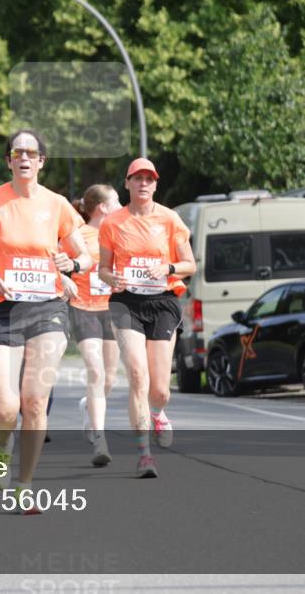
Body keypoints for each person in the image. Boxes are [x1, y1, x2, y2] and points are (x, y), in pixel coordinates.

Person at [0, 129, 90, 511]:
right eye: (18, 153)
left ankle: (25, 484)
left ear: (42, 161)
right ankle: (2, 446)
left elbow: (85, 255)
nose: (25, 158)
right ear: (9, 161)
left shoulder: (59, 205)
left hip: (47, 309)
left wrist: (72, 265)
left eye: (32, 153)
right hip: (1, 308)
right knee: (4, 407)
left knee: (34, 401)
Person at [98, 158, 195, 479]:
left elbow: (189, 265)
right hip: (126, 303)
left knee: (160, 389)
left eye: (149, 179)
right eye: (137, 178)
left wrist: (167, 268)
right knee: (137, 376)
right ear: (126, 184)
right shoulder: (114, 223)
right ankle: (144, 454)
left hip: (163, 301)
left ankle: (157, 412)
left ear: (155, 185)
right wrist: (112, 280)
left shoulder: (170, 219)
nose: (143, 183)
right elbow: (103, 269)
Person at [64, 184, 122, 467]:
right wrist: (64, 280)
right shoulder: (81, 236)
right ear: (102, 207)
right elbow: (55, 262)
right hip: (84, 309)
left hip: (111, 310)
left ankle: (89, 406)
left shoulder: (119, 234)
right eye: (117, 201)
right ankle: (100, 439)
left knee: (109, 377)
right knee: (96, 370)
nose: (121, 205)